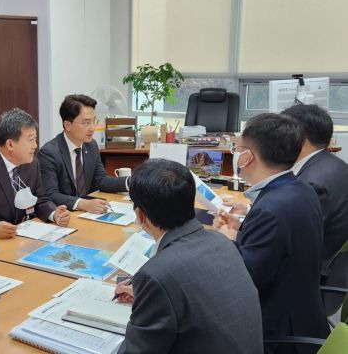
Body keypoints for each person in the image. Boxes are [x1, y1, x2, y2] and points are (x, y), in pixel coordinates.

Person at [114, 159, 263, 354]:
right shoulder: (222, 242)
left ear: (141, 215)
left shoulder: (155, 275)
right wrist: (152, 298)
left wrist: (154, 295)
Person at [213, 114, 329, 352]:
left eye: (238, 148)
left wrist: (226, 242)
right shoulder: (302, 190)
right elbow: (279, 250)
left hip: (275, 332)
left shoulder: (270, 210)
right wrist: (239, 232)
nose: (236, 153)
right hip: (304, 313)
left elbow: (244, 282)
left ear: (247, 157)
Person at [0, 108, 70, 249]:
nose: (35, 145)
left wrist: (54, 214)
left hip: (18, 242)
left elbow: (40, 199)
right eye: (30, 140)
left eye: (35, 139)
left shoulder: (32, 164)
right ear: (10, 144)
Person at [38, 94, 128, 214]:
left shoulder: (91, 146)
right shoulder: (49, 153)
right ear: (67, 125)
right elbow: (50, 194)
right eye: (86, 123)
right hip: (65, 215)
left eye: (93, 121)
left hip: (87, 214)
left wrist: (130, 182)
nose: (92, 128)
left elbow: (100, 180)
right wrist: (83, 204)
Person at [282, 104, 348, 263]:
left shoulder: (312, 185)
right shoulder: (335, 165)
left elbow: (286, 243)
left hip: (304, 269)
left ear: (300, 139)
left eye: (281, 132)